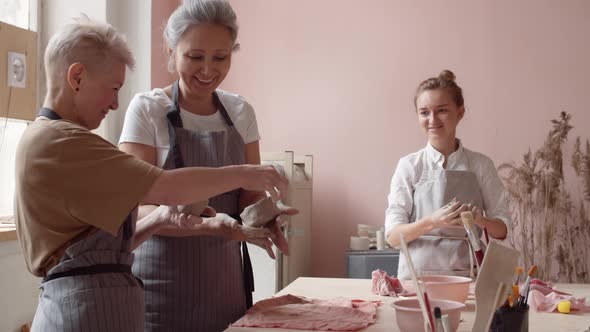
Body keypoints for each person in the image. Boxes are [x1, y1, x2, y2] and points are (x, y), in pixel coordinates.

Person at [14, 17, 287, 332]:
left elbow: (98, 250)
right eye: (113, 88)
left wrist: (161, 220)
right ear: (77, 76)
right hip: (83, 312)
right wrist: (245, 173)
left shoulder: (59, 140)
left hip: (97, 307)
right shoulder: (63, 143)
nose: (116, 103)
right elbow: (167, 186)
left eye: (220, 56)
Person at [118, 0, 297, 330]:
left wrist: (266, 217)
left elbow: (248, 198)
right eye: (195, 57)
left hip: (224, 284)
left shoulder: (240, 111)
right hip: (158, 286)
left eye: (221, 57)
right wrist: (201, 224)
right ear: (172, 51)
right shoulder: (147, 110)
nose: (208, 69)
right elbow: (133, 209)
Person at [385, 70, 509, 279]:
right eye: (424, 112)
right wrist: (433, 221)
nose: (432, 119)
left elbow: (503, 229)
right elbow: (394, 237)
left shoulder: (481, 165)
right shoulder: (409, 166)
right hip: (415, 281)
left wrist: (479, 220)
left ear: (460, 113)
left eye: (441, 110)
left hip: (469, 278)